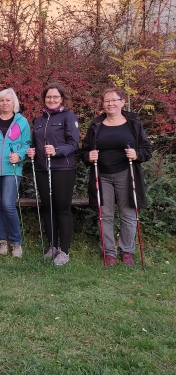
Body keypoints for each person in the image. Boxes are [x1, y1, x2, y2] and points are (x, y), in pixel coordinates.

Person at [81, 87, 152, 266]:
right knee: (105, 215)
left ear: (122, 102)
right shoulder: (96, 125)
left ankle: (127, 251)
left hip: (126, 174)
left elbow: (146, 150)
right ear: (103, 104)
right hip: (102, 174)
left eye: (114, 100)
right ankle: (109, 252)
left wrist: (136, 154)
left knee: (128, 214)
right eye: (107, 101)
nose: (110, 103)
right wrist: (89, 156)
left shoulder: (133, 124)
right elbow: (84, 151)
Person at [26, 82, 79, 266]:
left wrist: (57, 150)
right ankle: (53, 246)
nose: (52, 99)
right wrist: (31, 151)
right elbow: (35, 142)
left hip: (63, 168)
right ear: (44, 98)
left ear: (62, 98)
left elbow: (74, 144)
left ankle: (64, 250)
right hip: (42, 168)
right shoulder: (38, 120)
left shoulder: (68, 116)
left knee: (62, 209)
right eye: (49, 97)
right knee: (47, 207)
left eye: (55, 97)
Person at [0, 88, 31, 258]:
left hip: (12, 169)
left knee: (8, 204)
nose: (5, 103)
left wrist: (20, 155)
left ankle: (16, 243)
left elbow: (26, 144)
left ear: (14, 103)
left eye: (8, 100)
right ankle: (2, 241)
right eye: (1, 100)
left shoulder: (22, 122)